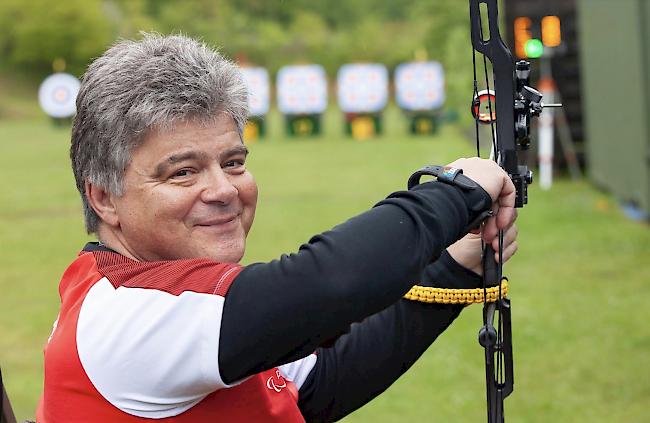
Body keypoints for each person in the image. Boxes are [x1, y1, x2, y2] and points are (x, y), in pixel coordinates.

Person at [37, 34, 518, 422]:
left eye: (233, 162)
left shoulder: (170, 297)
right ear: (103, 197)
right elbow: (328, 286)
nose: (223, 189)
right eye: (182, 171)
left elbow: (318, 386)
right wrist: (455, 192)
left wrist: (456, 263)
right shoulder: (127, 318)